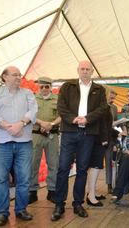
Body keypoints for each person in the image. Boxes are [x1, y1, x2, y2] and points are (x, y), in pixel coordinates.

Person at [50, 60, 108, 221]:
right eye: (82, 69)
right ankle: (59, 205)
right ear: (77, 70)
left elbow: (102, 109)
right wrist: (73, 119)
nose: (84, 71)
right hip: (69, 132)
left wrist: (87, 119)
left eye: (87, 69)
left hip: (88, 133)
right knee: (63, 169)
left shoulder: (99, 89)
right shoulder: (67, 87)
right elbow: (61, 107)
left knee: (82, 169)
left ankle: (78, 203)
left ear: (92, 71)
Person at [0, 66, 38, 226]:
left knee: (24, 179)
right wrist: (10, 127)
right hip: (0, 143)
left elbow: (33, 111)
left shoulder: (28, 93)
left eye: (19, 75)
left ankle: (21, 209)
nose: (18, 77)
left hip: (24, 143)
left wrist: (21, 124)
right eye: (15, 75)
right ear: (5, 77)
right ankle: (2, 212)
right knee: (1, 179)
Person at [86, 85, 124, 207]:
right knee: (95, 167)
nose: (112, 99)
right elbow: (101, 126)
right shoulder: (101, 108)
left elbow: (107, 127)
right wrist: (104, 139)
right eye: (110, 96)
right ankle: (91, 195)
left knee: (95, 168)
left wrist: (117, 133)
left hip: (101, 140)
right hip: (97, 141)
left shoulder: (106, 107)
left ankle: (93, 192)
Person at [28, 76, 61, 204]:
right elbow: (29, 114)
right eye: (42, 86)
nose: (44, 89)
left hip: (51, 134)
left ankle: (52, 191)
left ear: (51, 86)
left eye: (47, 86)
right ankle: (32, 192)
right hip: (35, 133)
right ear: (39, 86)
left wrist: (51, 124)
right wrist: (42, 123)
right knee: (33, 163)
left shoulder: (58, 99)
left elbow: (62, 115)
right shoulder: (32, 98)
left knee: (53, 163)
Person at [105, 87, 119, 194]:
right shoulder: (100, 106)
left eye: (114, 99)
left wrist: (119, 122)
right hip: (100, 137)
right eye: (111, 98)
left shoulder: (114, 107)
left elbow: (116, 120)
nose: (112, 100)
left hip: (111, 137)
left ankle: (109, 184)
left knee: (109, 161)